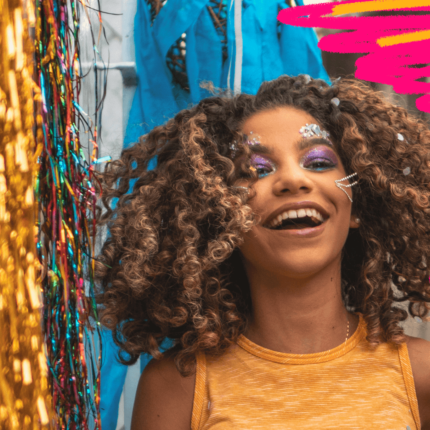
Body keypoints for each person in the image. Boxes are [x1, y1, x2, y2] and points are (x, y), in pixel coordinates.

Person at [96, 75, 430, 429]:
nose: (293, 180)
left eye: (317, 162)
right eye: (256, 170)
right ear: (217, 214)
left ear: (358, 206)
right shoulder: (179, 386)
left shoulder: (420, 374)